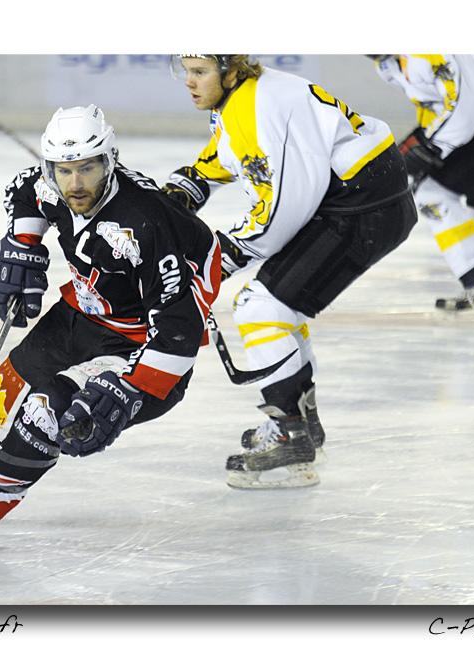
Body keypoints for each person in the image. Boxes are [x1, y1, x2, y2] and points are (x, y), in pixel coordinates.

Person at [0, 105, 221, 552]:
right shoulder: (50, 187)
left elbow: (179, 330)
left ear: (110, 161)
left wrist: (131, 389)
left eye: (87, 168)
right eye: (64, 170)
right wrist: (22, 245)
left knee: (48, 410)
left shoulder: (147, 222)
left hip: (137, 345)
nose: (75, 183)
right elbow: (24, 192)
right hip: (77, 318)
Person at [163, 55, 417, 489]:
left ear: (230, 71)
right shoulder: (246, 96)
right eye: (185, 70)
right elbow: (231, 152)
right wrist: (184, 189)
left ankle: (290, 438)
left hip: (361, 208)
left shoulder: (257, 107)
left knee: (260, 307)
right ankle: (302, 425)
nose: (188, 81)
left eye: (199, 71)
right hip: (365, 198)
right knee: (278, 307)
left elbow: (284, 208)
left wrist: (216, 260)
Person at [371, 54, 474, 309]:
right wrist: (419, 142)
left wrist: (427, 147)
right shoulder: (388, 64)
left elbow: (466, 112)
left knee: (431, 193)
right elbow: (438, 107)